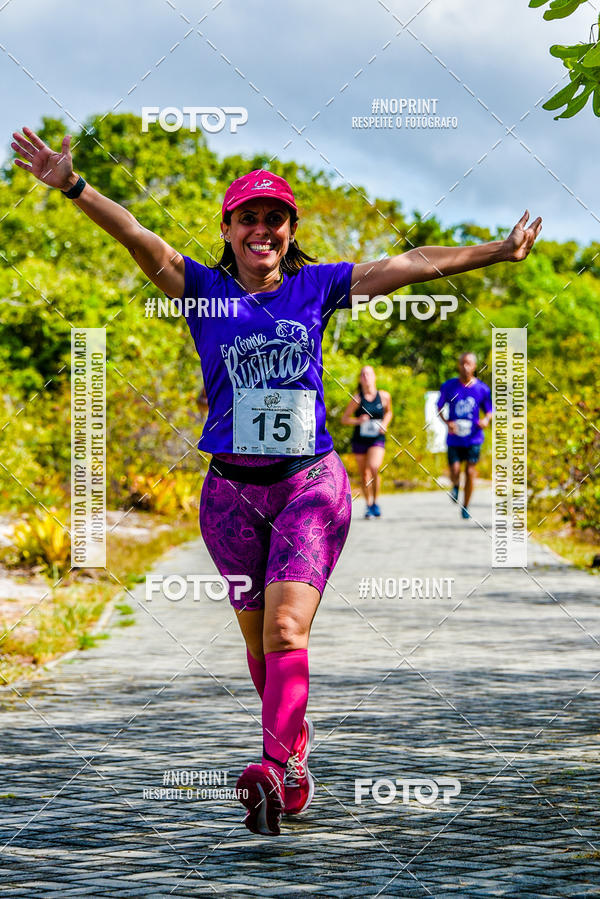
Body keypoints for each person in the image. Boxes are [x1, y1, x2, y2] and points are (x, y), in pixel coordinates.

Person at [11, 125, 542, 836]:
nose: (262, 228)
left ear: (290, 231)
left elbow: (412, 263)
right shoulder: (199, 290)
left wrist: (496, 252)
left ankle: (269, 765)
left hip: (308, 486)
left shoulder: (318, 286)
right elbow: (136, 235)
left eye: (275, 217)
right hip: (229, 497)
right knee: (262, 650)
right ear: (227, 229)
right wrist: (73, 186)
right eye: (248, 217)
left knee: (288, 629)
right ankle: (293, 759)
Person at [437, 352, 493, 519]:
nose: (465, 367)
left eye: (468, 364)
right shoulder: (449, 387)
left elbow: (489, 410)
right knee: (454, 470)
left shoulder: (482, 389)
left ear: (474, 366)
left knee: (470, 471)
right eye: (462, 363)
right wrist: (447, 423)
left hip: (474, 437)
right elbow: (439, 407)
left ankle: (466, 505)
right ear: (458, 365)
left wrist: (486, 420)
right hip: (455, 437)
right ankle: (455, 485)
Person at [341, 366, 392, 518]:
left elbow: (389, 411)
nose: (366, 377)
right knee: (364, 474)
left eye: (368, 374)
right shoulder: (357, 399)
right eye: (363, 374)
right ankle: (369, 504)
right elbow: (344, 419)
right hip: (360, 439)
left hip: (377, 438)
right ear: (360, 379)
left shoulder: (383, 396)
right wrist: (358, 420)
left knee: (374, 467)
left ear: (374, 377)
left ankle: (376, 502)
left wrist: (385, 424)